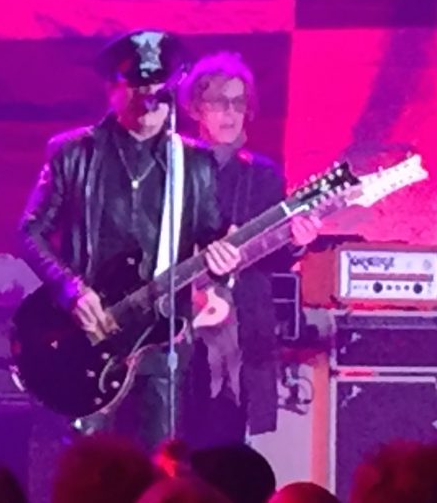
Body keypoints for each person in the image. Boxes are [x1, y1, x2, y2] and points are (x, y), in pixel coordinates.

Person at [18, 29, 241, 452]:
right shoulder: (73, 153)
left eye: (157, 89)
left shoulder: (195, 162)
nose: (147, 99)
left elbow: (212, 238)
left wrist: (224, 265)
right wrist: (71, 291)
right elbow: (28, 230)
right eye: (135, 87)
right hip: (86, 332)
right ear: (112, 89)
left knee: (160, 467)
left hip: (161, 339)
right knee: (83, 468)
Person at [178, 51, 319, 447]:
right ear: (195, 108)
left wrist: (296, 243)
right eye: (219, 101)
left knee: (225, 444)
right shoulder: (174, 168)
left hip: (238, 331)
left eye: (239, 103)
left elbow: (271, 257)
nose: (230, 112)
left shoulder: (261, 174)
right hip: (178, 329)